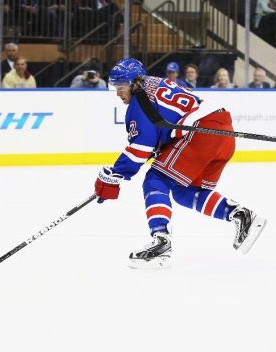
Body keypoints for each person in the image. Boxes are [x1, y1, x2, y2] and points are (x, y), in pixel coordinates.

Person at [94, 58, 267, 269]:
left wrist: (113, 176)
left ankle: (161, 242)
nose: (118, 93)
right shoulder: (156, 84)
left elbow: (141, 147)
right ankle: (241, 215)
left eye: (121, 87)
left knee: (155, 179)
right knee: (184, 191)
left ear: (135, 83)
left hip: (200, 133)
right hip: (221, 131)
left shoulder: (139, 101)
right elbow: (162, 130)